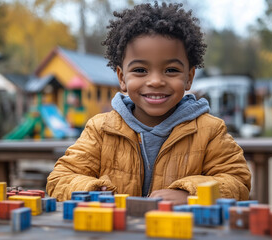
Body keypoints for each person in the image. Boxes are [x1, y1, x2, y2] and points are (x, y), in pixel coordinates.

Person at [46, 2, 251, 205]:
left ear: (189, 78)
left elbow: (237, 182)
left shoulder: (209, 131)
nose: (155, 81)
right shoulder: (101, 130)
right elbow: (60, 179)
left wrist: (190, 195)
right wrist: (91, 190)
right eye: (140, 70)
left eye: (171, 70)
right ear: (122, 78)